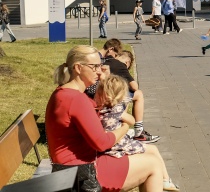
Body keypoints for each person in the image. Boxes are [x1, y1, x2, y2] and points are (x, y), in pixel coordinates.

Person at [45, 45, 166, 191]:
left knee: (150, 153)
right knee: (153, 164)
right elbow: (102, 143)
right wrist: (125, 127)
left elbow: (102, 107)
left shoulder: (65, 92)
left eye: (100, 65)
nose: (99, 70)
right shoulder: (76, 99)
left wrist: (105, 81)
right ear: (78, 68)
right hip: (80, 174)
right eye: (95, 66)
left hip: (71, 169)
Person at [94, 75, 180, 191]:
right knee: (153, 154)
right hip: (119, 146)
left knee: (151, 151)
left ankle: (165, 180)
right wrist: (125, 122)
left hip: (108, 148)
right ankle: (166, 180)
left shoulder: (99, 111)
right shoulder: (117, 110)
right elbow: (132, 121)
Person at [107, 50, 160, 144]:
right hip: (110, 95)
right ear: (127, 62)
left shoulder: (108, 60)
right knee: (138, 94)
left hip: (103, 92)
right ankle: (139, 132)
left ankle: (122, 129)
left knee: (126, 94)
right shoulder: (121, 65)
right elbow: (135, 87)